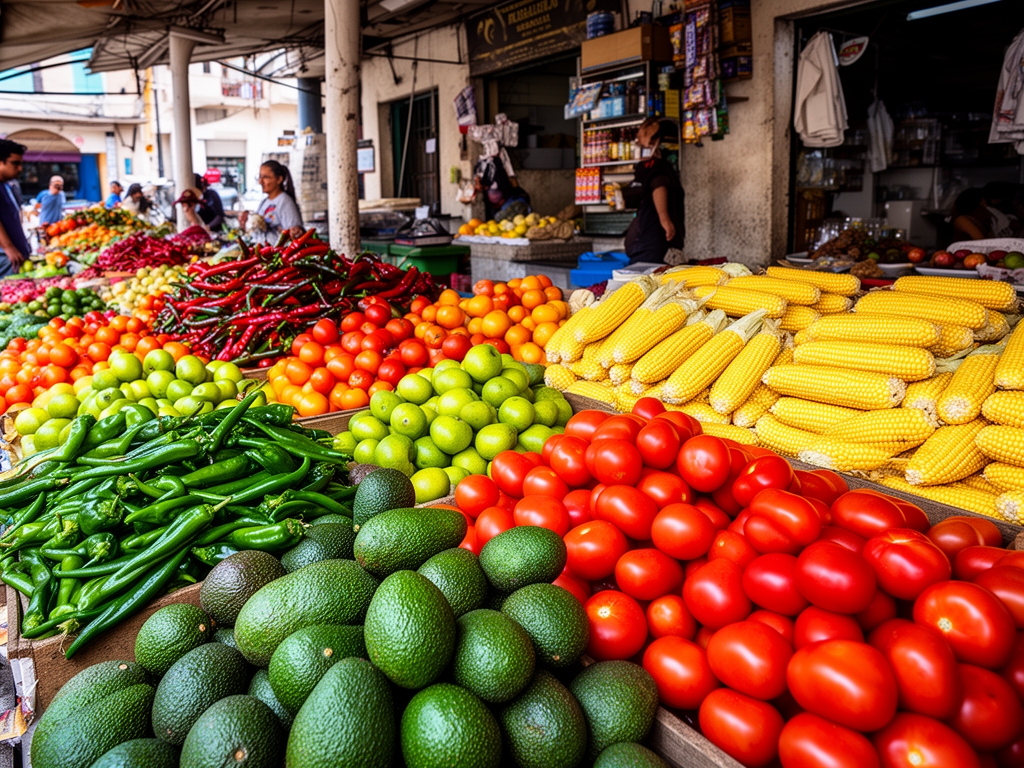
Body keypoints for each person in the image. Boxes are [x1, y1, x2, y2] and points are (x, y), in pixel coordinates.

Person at [622, 117, 686, 265]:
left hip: (650, 244)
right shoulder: (655, 166)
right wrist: (665, 220)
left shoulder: (656, 166)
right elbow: (659, 184)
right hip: (650, 244)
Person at [238, 160, 302, 243]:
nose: (260, 181)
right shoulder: (264, 202)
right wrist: (246, 222)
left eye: (265, 177)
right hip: (262, 249)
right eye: (259, 177)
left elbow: (295, 235)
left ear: (279, 179)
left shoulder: (285, 202)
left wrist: (294, 232)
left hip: (277, 250)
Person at [0, 139, 29, 277]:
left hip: (14, 259)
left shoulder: (7, 186)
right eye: (15, 163)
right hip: (6, 258)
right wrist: (8, 247)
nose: (20, 168)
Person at [473, 152, 530, 221]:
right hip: (493, 206)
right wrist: (477, 183)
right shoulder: (484, 170)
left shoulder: (501, 171)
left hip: (507, 202)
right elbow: (478, 187)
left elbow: (514, 184)